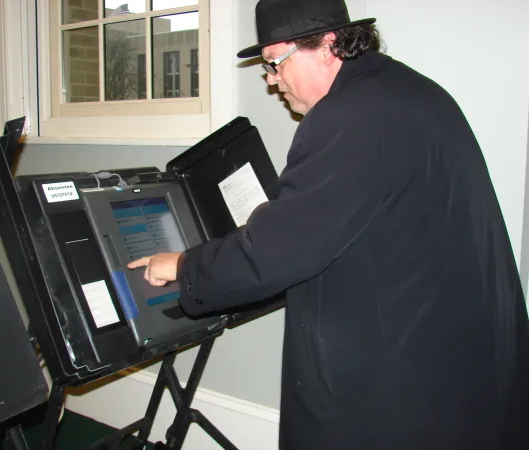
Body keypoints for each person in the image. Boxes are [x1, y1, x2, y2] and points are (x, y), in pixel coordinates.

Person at [128, 0, 529, 448]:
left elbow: (275, 253)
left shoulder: (348, 116)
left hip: (403, 381)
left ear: (328, 46)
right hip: (458, 356)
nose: (272, 80)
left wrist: (183, 266)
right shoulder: (410, 91)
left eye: (276, 62)